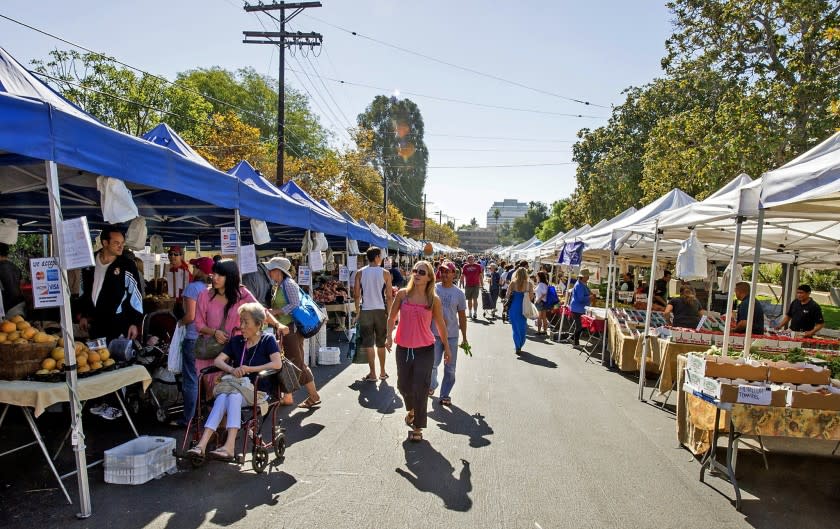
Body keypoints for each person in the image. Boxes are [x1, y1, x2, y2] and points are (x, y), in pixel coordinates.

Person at [186, 303, 283, 460]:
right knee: (225, 396)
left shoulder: (268, 340)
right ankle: (202, 445)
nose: (241, 326)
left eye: (246, 322)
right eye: (241, 322)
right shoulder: (237, 341)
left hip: (259, 390)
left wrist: (249, 369)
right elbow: (218, 361)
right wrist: (232, 370)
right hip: (237, 388)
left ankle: (229, 446)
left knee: (232, 395)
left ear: (259, 324)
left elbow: (277, 364)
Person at [385, 260, 451, 442]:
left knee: (421, 387)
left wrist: (446, 347)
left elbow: (440, 325)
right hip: (404, 348)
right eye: (415, 270)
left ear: (430, 277)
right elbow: (392, 317)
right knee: (403, 385)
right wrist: (389, 336)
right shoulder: (402, 295)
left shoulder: (433, 300)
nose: (417, 274)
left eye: (421, 272)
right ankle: (412, 410)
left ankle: (418, 427)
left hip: (425, 349)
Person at [194, 259, 287, 378]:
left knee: (235, 389)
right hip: (211, 350)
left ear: (230, 276)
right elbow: (198, 324)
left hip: (236, 350)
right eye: (214, 274)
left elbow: (261, 311)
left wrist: (277, 324)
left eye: (220, 275)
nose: (215, 278)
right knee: (211, 393)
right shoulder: (204, 295)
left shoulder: (242, 293)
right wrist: (215, 332)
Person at [264, 256, 321, 409]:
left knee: (296, 362)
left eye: (271, 269)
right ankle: (289, 396)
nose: (269, 272)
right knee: (291, 361)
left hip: (291, 328)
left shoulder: (288, 284)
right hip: (286, 328)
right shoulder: (280, 284)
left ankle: (313, 395)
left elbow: (295, 305)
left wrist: (275, 311)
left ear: (278, 271)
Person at [79, 228, 143, 342]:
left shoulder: (127, 266)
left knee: (115, 358)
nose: (120, 246)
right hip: (94, 323)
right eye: (116, 243)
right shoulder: (90, 262)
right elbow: (83, 290)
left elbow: (136, 295)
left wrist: (134, 322)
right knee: (96, 358)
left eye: (122, 243)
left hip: (118, 323)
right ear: (105, 243)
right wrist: (83, 315)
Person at [174, 257, 213, 426]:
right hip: (209, 340)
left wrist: (179, 323)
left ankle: (188, 419)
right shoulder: (212, 289)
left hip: (193, 339)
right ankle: (211, 414)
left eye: (194, 267)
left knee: (190, 379)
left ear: (198, 269)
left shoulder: (192, 288)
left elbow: (190, 317)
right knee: (208, 378)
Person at [429, 261, 467, 405]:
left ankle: (445, 394)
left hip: (451, 336)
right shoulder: (433, 289)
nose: (444, 274)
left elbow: (462, 317)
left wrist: (464, 337)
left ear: (453, 274)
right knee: (432, 364)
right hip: (434, 334)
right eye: (442, 271)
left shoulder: (459, 293)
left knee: (450, 368)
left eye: (447, 271)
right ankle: (432, 385)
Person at [353, 247, 394, 382]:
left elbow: (357, 295)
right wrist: (390, 314)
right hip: (380, 310)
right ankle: (382, 372)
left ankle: (373, 373)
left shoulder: (360, 273)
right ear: (376, 257)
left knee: (369, 344)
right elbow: (389, 296)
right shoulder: (385, 273)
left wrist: (358, 311)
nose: (381, 259)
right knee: (381, 343)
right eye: (380, 256)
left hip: (365, 310)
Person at [505, 267, 533, 355]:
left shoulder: (513, 283)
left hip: (514, 306)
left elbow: (507, 295)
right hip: (524, 307)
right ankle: (520, 343)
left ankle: (517, 345)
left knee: (515, 328)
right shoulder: (529, 284)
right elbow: (531, 298)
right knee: (522, 326)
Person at [569, 269, 591, 348]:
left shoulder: (582, 284)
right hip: (578, 308)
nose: (588, 277)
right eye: (587, 276)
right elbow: (581, 299)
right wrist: (589, 297)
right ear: (583, 277)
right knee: (580, 326)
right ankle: (575, 343)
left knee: (581, 326)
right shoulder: (579, 285)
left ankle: (572, 338)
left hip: (580, 308)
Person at [0, 242, 24, 317]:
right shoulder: (15, 267)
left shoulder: (1, 267)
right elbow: (21, 285)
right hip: (20, 305)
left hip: (8, 308)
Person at [458, 255, 483, 319]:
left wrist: (482, 284)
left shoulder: (478, 266)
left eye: (472, 259)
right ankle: (470, 312)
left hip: (476, 285)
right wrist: (460, 284)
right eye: (470, 259)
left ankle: (475, 312)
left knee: (475, 299)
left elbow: (480, 275)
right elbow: (462, 275)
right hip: (468, 285)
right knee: (469, 299)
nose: (471, 260)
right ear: (467, 260)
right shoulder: (465, 266)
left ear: (474, 260)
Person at [533, 271, 550, 336]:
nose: (536, 277)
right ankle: (544, 331)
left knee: (540, 317)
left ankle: (539, 331)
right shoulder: (543, 284)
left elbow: (544, 293)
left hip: (540, 302)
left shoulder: (541, 284)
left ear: (539, 276)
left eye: (537, 276)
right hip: (543, 302)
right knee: (544, 317)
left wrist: (538, 299)